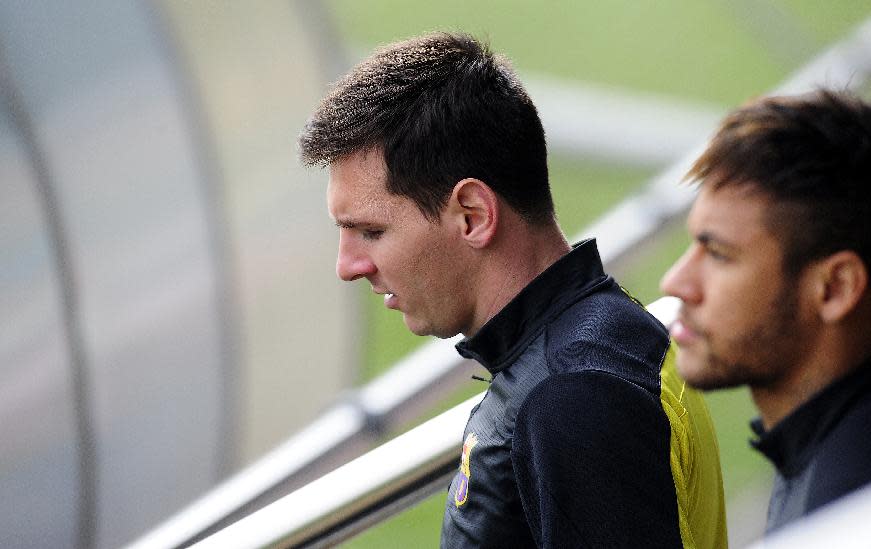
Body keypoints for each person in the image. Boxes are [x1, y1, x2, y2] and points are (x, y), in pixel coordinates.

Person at [300, 32, 726, 548]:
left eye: (371, 231)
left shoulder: (573, 395)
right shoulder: (589, 351)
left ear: (473, 215)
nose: (348, 266)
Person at [660, 89, 871, 534]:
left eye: (718, 254)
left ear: (835, 288)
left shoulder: (839, 518)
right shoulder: (819, 450)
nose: (676, 282)